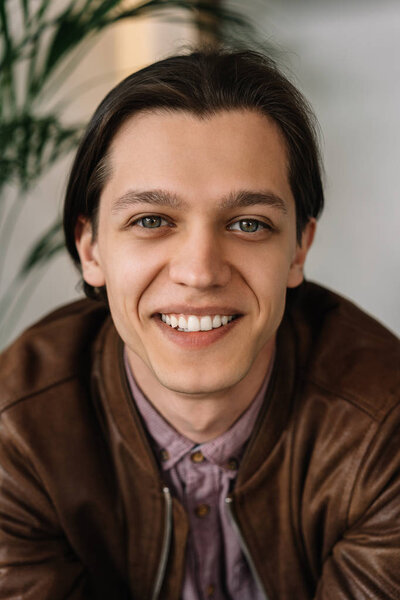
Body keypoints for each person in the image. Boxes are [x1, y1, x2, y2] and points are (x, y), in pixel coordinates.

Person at [0, 48, 399, 600]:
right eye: (151, 220)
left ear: (298, 251)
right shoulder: (14, 433)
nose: (200, 271)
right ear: (91, 248)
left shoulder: (385, 426)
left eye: (248, 223)